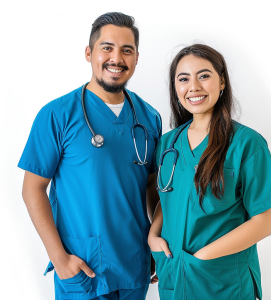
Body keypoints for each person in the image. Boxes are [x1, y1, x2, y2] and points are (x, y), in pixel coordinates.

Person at [18, 12, 161, 300]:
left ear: (136, 58)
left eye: (126, 50)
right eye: (106, 47)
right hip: (82, 267)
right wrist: (59, 258)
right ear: (89, 53)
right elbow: (32, 188)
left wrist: (156, 240)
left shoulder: (150, 117)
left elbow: (151, 185)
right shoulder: (57, 115)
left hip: (135, 263)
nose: (116, 58)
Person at [148, 44, 271, 300]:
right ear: (175, 87)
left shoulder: (247, 143)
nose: (194, 86)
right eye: (183, 79)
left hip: (221, 280)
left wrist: (202, 257)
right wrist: (152, 235)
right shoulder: (167, 144)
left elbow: (264, 223)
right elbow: (166, 198)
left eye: (204, 75)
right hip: (174, 278)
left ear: (221, 81)